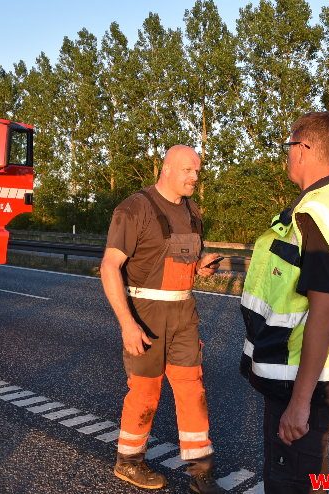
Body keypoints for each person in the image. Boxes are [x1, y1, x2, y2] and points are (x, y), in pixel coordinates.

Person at [239, 112, 329, 493]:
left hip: (301, 379)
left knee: (290, 481)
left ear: (305, 148)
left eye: (289, 146)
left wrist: (299, 403)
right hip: (321, 375)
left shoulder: (314, 215)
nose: (287, 155)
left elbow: (325, 309)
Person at [100, 145, 224, 493]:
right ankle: (129, 461)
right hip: (146, 313)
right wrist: (128, 323)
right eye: (188, 170)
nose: (195, 177)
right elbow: (110, 267)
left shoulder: (192, 212)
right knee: (145, 390)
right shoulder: (135, 208)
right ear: (167, 169)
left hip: (184, 314)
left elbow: (179, 260)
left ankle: (200, 471)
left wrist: (201, 266)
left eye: (198, 171)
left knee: (192, 389)